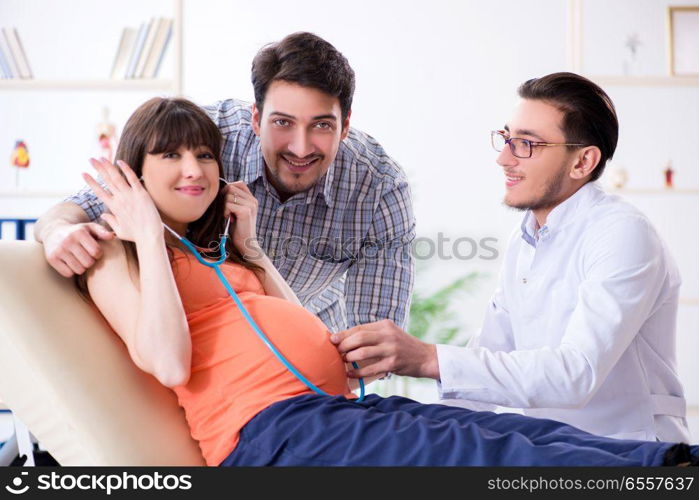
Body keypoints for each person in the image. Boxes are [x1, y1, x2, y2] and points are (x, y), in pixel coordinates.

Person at [75, 96, 698, 467]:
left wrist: (256, 253)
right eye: (171, 156)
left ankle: (672, 467)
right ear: (133, 172)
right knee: (484, 458)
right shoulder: (120, 253)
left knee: (514, 435)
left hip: (325, 410)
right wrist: (147, 238)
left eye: (205, 155)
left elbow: (314, 341)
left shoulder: (224, 254)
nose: (195, 170)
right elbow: (168, 361)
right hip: (275, 434)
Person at [331, 72, 690, 443]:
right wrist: (408, 435)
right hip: (559, 450)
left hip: (632, 453)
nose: (503, 158)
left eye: (526, 144)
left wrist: (426, 358)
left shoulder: (622, 233)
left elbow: (575, 374)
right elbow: (487, 364)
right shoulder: (527, 240)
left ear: (582, 162)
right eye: (506, 139)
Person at [35, 32, 415, 334]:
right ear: (255, 117)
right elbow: (80, 206)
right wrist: (56, 232)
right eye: (282, 122)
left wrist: (341, 365)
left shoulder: (379, 189)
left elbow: (377, 335)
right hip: (191, 335)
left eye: (322, 125)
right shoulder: (203, 142)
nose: (300, 148)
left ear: (346, 125)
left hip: (300, 344)